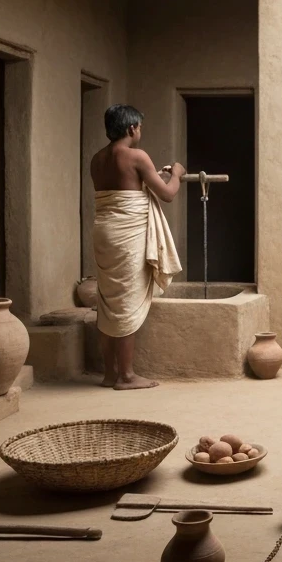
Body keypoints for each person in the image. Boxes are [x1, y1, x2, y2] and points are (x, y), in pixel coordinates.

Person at [89, 104, 183, 390]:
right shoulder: (136, 156)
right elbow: (167, 194)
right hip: (126, 236)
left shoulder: (97, 159)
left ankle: (109, 374)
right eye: (140, 127)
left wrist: (153, 173)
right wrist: (176, 173)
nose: (140, 131)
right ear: (132, 128)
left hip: (104, 232)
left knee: (108, 303)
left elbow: (125, 188)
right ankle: (127, 376)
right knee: (127, 301)